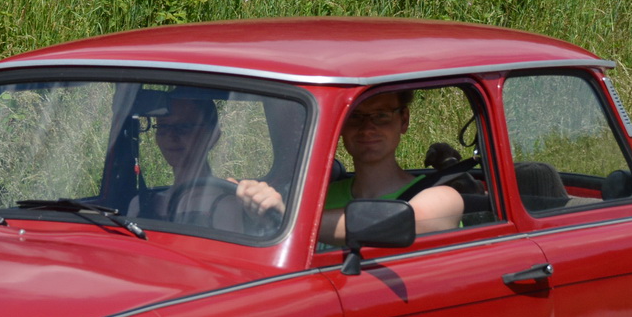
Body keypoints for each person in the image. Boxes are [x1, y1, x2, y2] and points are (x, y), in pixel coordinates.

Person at [235, 90, 465, 242]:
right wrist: (247, 199)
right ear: (341, 125)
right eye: (355, 117)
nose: (367, 128)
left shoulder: (442, 198)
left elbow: (399, 224)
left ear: (403, 120)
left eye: (381, 116)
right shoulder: (316, 199)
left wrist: (288, 218)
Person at [127, 97, 247, 231]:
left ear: (213, 135)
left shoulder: (225, 204)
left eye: (184, 127)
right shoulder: (139, 204)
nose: (171, 137)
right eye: (163, 127)